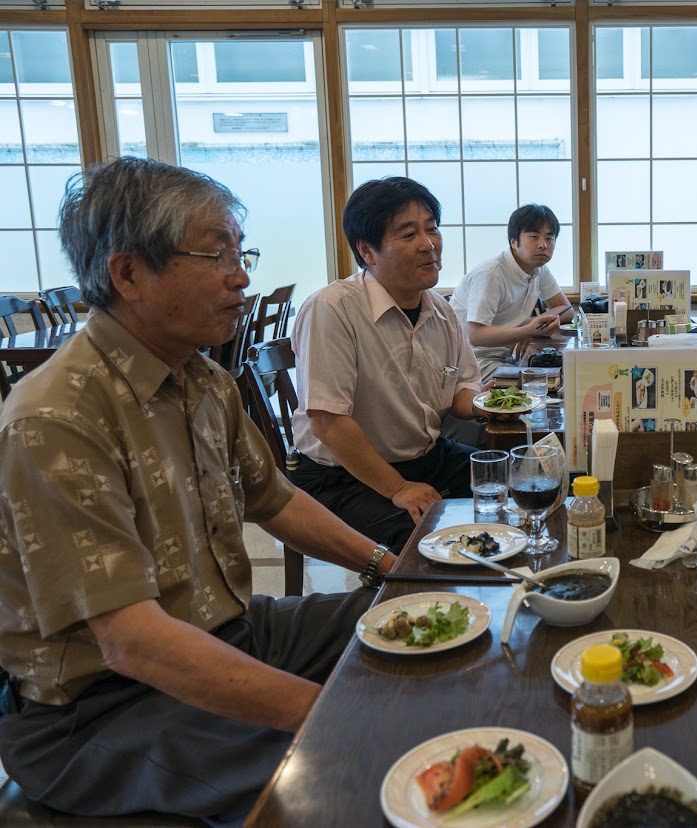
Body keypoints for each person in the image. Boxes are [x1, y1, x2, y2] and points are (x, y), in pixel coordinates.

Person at [0, 157, 396, 826]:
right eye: (216, 254)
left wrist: (393, 571)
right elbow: (134, 642)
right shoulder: (56, 417)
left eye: (242, 252)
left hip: (231, 630)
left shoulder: (204, 380)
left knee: (422, 617)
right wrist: (325, 716)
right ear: (128, 273)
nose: (241, 276)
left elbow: (276, 500)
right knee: (346, 775)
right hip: (98, 708)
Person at [289, 177, 482, 550]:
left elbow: (461, 389)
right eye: (409, 235)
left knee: (517, 480)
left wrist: (484, 405)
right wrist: (399, 489)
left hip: (427, 457)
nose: (429, 245)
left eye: (432, 229)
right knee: (429, 547)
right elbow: (327, 422)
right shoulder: (332, 309)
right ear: (367, 250)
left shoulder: (439, 309)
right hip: (344, 476)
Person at [450, 204, 572, 380]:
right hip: (473, 361)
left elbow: (565, 309)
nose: (543, 245)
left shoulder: (539, 269)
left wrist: (530, 324)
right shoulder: (491, 274)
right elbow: (476, 335)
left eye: (549, 238)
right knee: (544, 383)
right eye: (534, 237)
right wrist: (526, 331)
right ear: (513, 241)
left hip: (508, 357)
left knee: (562, 372)